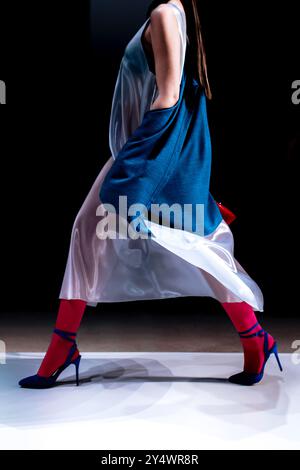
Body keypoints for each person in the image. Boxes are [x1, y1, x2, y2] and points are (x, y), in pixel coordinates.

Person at [19, 0, 282, 389]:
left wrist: (133, 171)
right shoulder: (173, 13)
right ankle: (254, 340)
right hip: (149, 153)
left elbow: (169, 94)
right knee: (181, 243)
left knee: (188, 246)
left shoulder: (164, 13)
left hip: (144, 156)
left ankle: (62, 347)